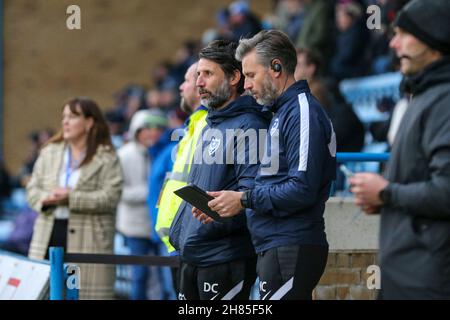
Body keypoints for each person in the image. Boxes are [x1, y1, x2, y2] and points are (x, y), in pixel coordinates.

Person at [198, 30, 336, 300]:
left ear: (276, 67)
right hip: (275, 246)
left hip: (291, 246)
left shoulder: (301, 111)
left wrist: (244, 199)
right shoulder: (281, 111)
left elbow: (302, 188)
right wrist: (231, 203)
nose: (246, 85)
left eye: (250, 75)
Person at [349, 0, 450, 299]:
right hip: (404, 276)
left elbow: (446, 191)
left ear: (433, 39)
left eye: (403, 33)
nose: (393, 43)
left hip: (428, 282)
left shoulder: (444, 100)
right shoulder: (422, 94)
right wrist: (386, 199)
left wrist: (386, 192)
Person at [168, 40, 271, 300]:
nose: (199, 82)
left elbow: (252, 197)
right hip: (193, 254)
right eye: (198, 75)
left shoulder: (250, 127)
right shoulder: (210, 125)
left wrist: (221, 213)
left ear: (235, 77)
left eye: (208, 74)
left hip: (225, 257)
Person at [27, 97, 123, 300]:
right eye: (64, 117)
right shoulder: (49, 152)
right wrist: (46, 199)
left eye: (72, 116)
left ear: (89, 122)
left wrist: (72, 197)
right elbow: (32, 189)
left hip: (91, 241)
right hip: (47, 235)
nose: (65, 122)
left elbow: (111, 197)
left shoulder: (107, 156)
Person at [155, 62, 207, 295]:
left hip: (191, 241)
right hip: (178, 241)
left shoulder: (206, 125)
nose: (181, 86)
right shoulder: (192, 125)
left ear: (200, 86)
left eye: (186, 80)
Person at [116, 110, 166, 300]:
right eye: (147, 128)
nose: (152, 133)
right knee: (139, 276)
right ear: (136, 130)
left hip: (158, 225)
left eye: (158, 128)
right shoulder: (124, 155)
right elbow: (119, 191)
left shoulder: (159, 153)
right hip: (135, 227)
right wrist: (151, 191)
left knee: (163, 276)